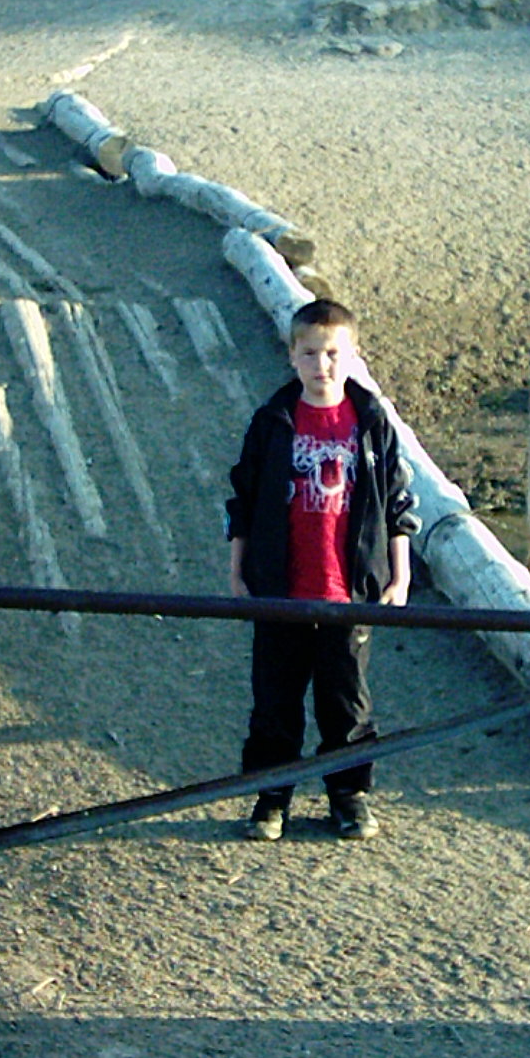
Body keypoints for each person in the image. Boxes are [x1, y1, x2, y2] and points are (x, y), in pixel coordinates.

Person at [225, 298, 417, 842]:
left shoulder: (371, 422)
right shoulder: (273, 422)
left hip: (350, 590)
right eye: (310, 353)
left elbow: (398, 504)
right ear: (292, 355)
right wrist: (238, 571)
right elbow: (243, 496)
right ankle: (271, 798)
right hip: (281, 588)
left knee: (346, 701)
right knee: (275, 700)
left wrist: (398, 578)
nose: (322, 364)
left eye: (333, 353)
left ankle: (348, 795)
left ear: (352, 355)